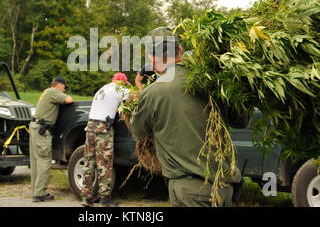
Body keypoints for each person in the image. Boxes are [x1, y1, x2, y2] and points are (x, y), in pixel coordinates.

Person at [130, 27, 249, 207]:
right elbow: (242, 121)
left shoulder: (154, 91)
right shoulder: (214, 81)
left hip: (191, 192)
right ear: (179, 50)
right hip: (225, 188)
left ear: (152, 59)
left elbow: (138, 130)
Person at [81, 72, 130, 207]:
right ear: (122, 82)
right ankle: (104, 199)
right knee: (104, 162)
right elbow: (134, 99)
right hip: (103, 127)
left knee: (89, 161)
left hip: (90, 126)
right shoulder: (120, 88)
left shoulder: (103, 88)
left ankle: (86, 197)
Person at [30, 76, 73, 202]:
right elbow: (69, 100)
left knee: (36, 161)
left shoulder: (47, 92)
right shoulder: (53, 92)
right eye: (64, 87)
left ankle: (36, 191)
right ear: (59, 85)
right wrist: (63, 96)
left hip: (35, 127)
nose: (64, 90)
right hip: (42, 129)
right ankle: (40, 194)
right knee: (45, 160)